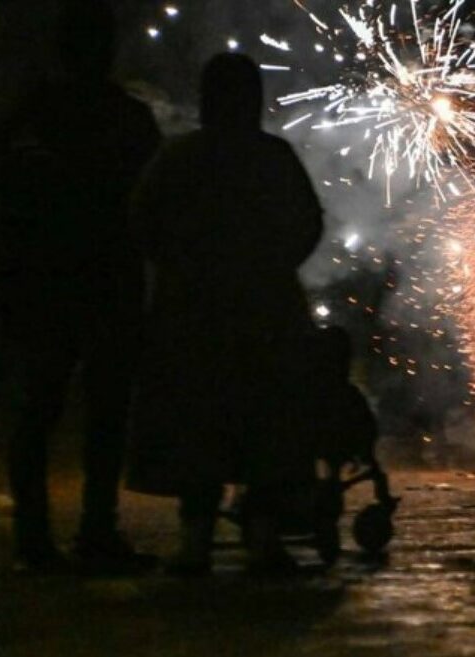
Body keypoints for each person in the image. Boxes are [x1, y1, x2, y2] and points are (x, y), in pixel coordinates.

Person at [127, 53, 323, 574]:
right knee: (265, 430)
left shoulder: (178, 157)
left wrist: (179, 271)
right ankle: (263, 544)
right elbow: (308, 223)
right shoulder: (272, 156)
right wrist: (274, 268)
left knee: (199, 430)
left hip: (192, 318)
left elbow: (142, 222)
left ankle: (195, 547)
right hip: (265, 315)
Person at [0, 0, 162, 572]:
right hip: (106, 279)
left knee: (40, 409)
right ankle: (94, 530)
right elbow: (152, 208)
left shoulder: (30, 117)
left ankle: (35, 536)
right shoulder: (126, 117)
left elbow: (1, 205)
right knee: (103, 413)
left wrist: (2, 279)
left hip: (47, 280)